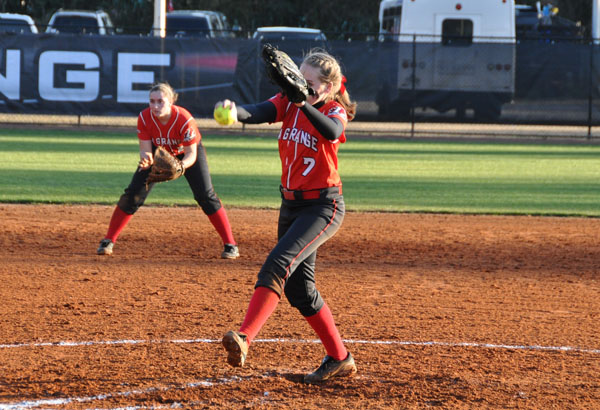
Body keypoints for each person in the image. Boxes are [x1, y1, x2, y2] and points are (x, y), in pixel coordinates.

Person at [215, 49, 357, 383]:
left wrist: (302, 102)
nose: (299, 86)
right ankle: (340, 359)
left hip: (324, 207)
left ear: (330, 86)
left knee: (276, 265)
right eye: (297, 79)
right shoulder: (287, 101)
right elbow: (259, 112)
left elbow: (332, 132)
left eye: (308, 83)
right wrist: (235, 113)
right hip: (291, 206)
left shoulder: (333, 108)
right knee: (300, 291)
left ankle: (244, 338)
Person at [97, 82, 239, 259]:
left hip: (185, 154)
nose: (155, 106)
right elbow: (146, 149)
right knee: (133, 194)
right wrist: (146, 159)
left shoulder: (184, 119)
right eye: (152, 101)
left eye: (160, 101)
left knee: (205, 195)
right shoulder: (144, 117)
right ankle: (108, 240)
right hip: (160, 153)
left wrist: (180, 167)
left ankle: (230, 244)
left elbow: (191, 154)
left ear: (171, 101)